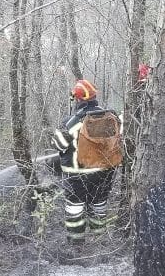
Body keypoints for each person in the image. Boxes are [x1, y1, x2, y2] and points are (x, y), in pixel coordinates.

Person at [52, 79, 123, 242]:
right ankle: (99, 240)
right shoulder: (111, 117)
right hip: (104, 171)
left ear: (77, 99)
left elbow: (59, 144)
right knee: (99, 204)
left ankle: (76, 243)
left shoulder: (72, 122)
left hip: (77, 174)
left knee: (75, 208)